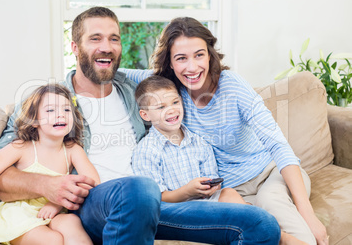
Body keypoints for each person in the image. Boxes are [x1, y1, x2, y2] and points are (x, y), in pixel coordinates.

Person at [0, 6, 281, 245]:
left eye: (114, 38)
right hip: (99, 205)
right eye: (95, 38)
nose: (107, 47)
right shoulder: (49, 102)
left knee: (261, 227)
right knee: (139, 189)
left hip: (159, 203)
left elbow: (183, 70)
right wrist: (48, 186)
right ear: (74, 46)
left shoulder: (134, 88)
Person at [122, 17, 329, 245]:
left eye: (199, 55)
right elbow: (117, 72)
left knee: (272, 201)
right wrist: (74, 74)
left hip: (270, 173)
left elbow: (278, 145)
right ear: (170, 63)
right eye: (181, 58)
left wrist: (308, 214)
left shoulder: (232, 86)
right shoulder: (168, 89)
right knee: (259, 228)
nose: (191, 67)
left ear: (210, 55)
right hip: (229, 190)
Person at [0, 84, 100, 245]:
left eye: (67, 110)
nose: (60, 115)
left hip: (54, 212)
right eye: (50, 110)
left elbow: (93, 182)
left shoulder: (73, 150)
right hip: (19, 214)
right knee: (53, 240)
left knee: (71, 223)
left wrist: (56, 202)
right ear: (34, 121)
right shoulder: (22, 147)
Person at [133, 75, 246, 205]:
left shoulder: (199, 142)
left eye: (175, 102)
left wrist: (210, 188)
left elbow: (213, 179)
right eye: (161, 107)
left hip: (205, 202)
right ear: (145, 115)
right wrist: (187, 191)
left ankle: (248, 217)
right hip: (176, 209)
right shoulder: (146, 151)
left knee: (229, 193)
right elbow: (155, 197)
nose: (171, 110)